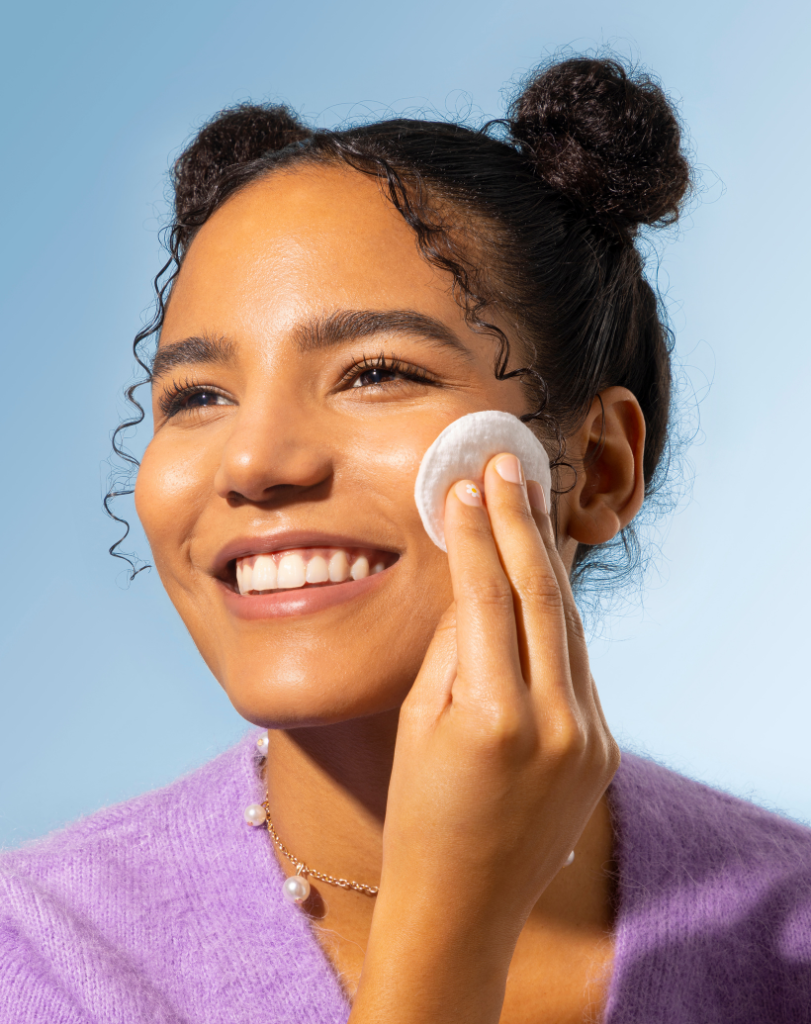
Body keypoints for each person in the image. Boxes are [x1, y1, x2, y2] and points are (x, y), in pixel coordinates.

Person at [1, 55, 809, 1024]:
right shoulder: (41, 956)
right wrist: (447, 931)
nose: (254, 461)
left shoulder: (787, 931)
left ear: (596, 470)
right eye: (198, 395)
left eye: (374, 371)